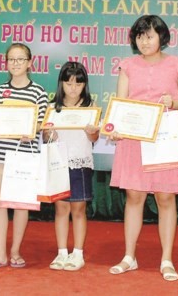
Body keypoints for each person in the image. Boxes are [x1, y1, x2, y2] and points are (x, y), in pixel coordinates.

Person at [108, 15, 178, 281]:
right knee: (134, 197)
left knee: (165, 198)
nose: (144, 41)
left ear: (162, 38)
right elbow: (120, 102)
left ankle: (166, 259)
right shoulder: (127, 65)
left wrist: (173, 102)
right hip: (133, 139)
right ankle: (129, 257)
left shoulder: (177, 64)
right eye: (140, 36)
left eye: (150, 36)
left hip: (165, 138)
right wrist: (116, 127)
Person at [0, 43, 48, 271]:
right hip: (0, 154)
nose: (15, 63)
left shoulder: (39, 92)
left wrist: (32, 130)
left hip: (26, 156)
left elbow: (41, 123)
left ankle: (15, 250)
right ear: (6, 63)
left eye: (20, 59)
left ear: (30, 62)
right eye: (11, 59)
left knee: (20, 205)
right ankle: (0, 253)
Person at [42, 62, 99, 271]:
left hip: (80, 163)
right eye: (68, 83)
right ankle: (61, 252)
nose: (73, 88)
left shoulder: (90, 108)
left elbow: (94, 138)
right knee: (61, 209)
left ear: (85, 85)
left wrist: (91, 130)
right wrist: (48, 134)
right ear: (61, 84)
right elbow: (45, 136)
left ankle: (78, 253)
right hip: (58, 164)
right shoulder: (52, 108)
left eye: (78, 84)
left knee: (79, 209)